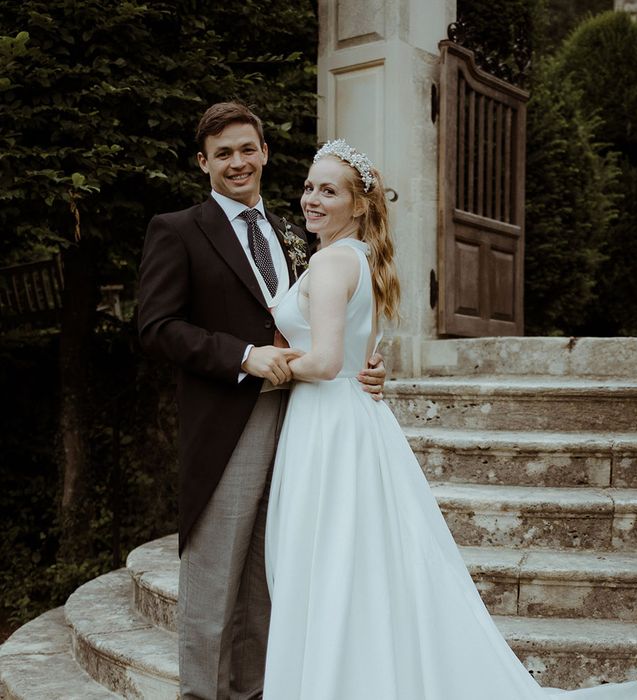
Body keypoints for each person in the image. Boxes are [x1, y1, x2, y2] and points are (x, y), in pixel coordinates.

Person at [262, 139, 637, 700]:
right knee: (356, 564)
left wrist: (265, 362)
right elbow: (355, 354)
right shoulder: (363, 260)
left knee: (327, 563)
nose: (311, 199)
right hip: (353, 420)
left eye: (328, 190)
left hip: (327, 426)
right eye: (307, 186)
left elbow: (324, 361)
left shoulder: (328, 262)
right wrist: (353, 367)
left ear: (359, 205)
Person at [137, 104, 385, 700]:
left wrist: (365, 365)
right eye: (223, 153)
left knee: (268, 572)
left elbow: (329, 319)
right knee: (215, 572)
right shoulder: (178, 229)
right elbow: (156, 326)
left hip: (304, 417)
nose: (238, 162)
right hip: (230, 420)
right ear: (203, 163)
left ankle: (251, 692)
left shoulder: (296, 232)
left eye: (247, 149)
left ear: (266, 153)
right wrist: (241, 355)